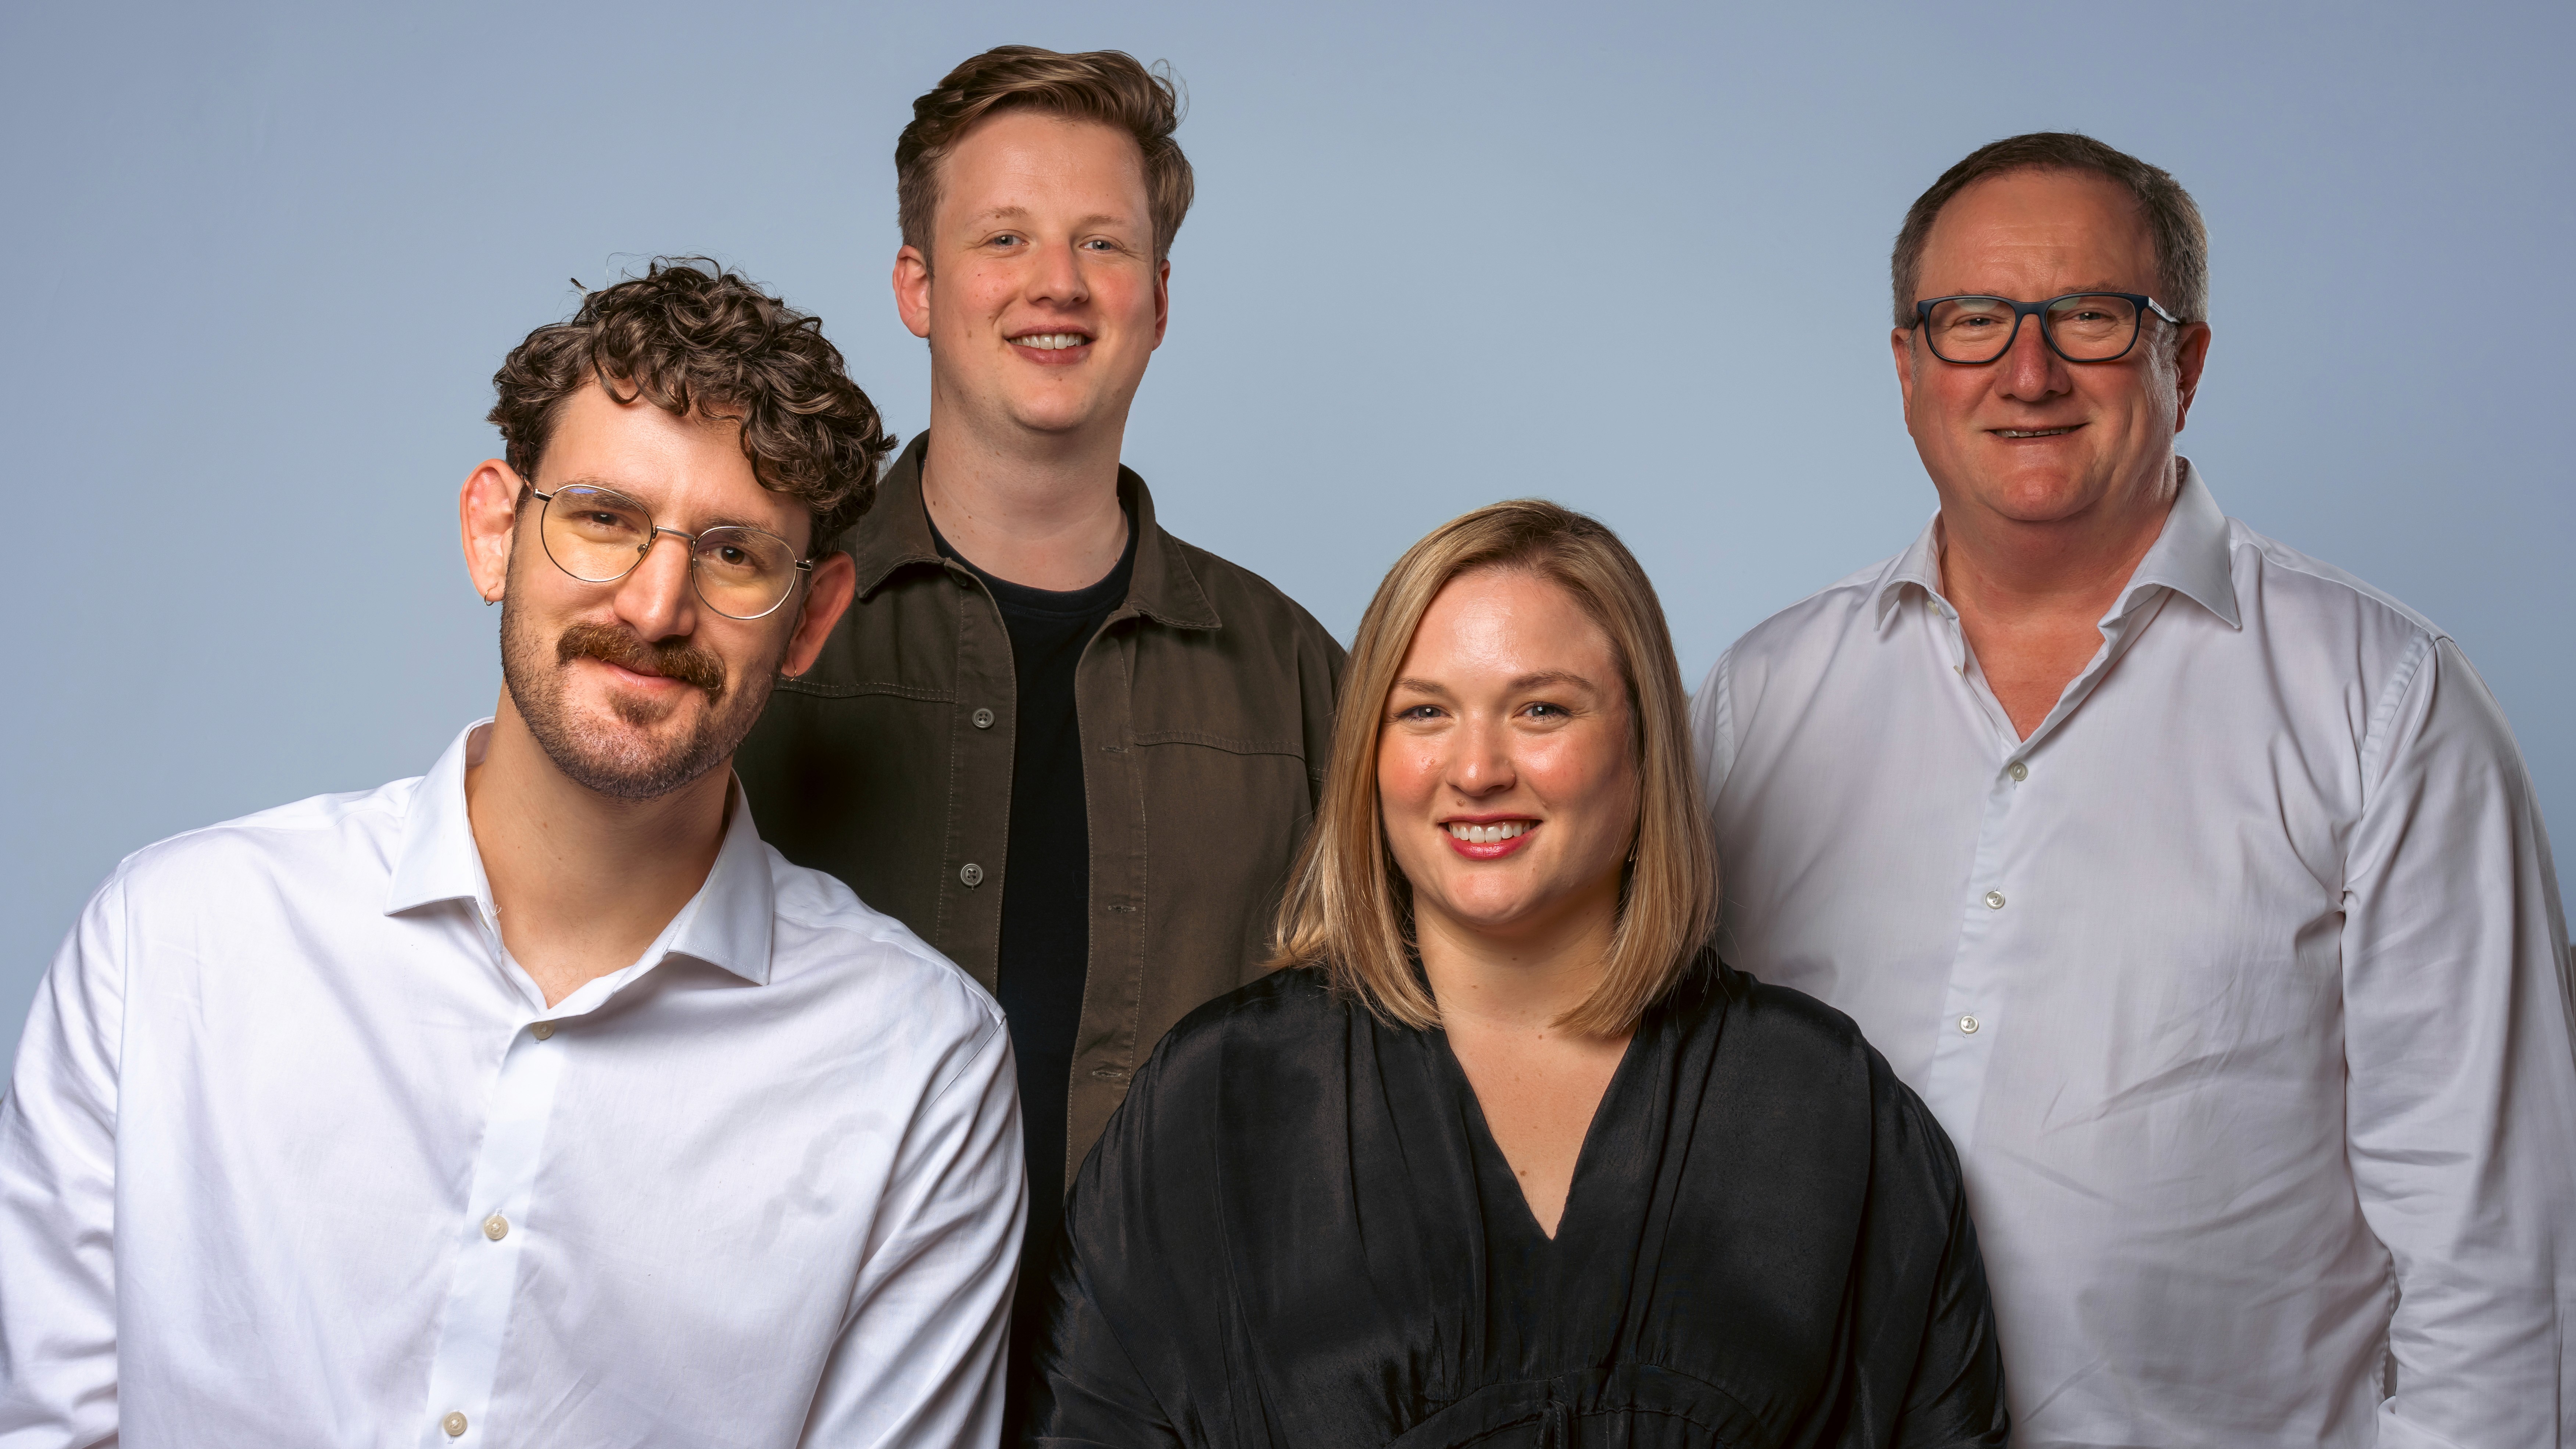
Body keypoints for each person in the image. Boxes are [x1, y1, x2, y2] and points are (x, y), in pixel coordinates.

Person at [0, 261, 1025, 1446]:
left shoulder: (920, 1069)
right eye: (604, 519)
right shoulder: (171, 942)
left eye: (735, 554)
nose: (655, 607)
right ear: (495, 532)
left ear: (812, 618)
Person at [1695, 132, 2576, 1446]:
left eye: (2093, 318)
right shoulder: (1758, 700)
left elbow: (2497, 1259)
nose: (2029, 371)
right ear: (1908, 367)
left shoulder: (2385, 704)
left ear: (2187, 362)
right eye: (1973, 320)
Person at [1028, 501, 2009, 1448]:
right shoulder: (1216, 1104)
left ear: (1644, 746)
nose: (1477, 770)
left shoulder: (1825, 1107)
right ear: (1368, 756)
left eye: (1541, 709)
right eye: (1425, 713)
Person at [729, 44, 1343, 1425]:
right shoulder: (755, 628)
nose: (1055, 283)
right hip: (805, 1402)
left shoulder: (1302, 680)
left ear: (1159, 299)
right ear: (917, 286)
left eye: (1101, 244)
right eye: (1003, 237)